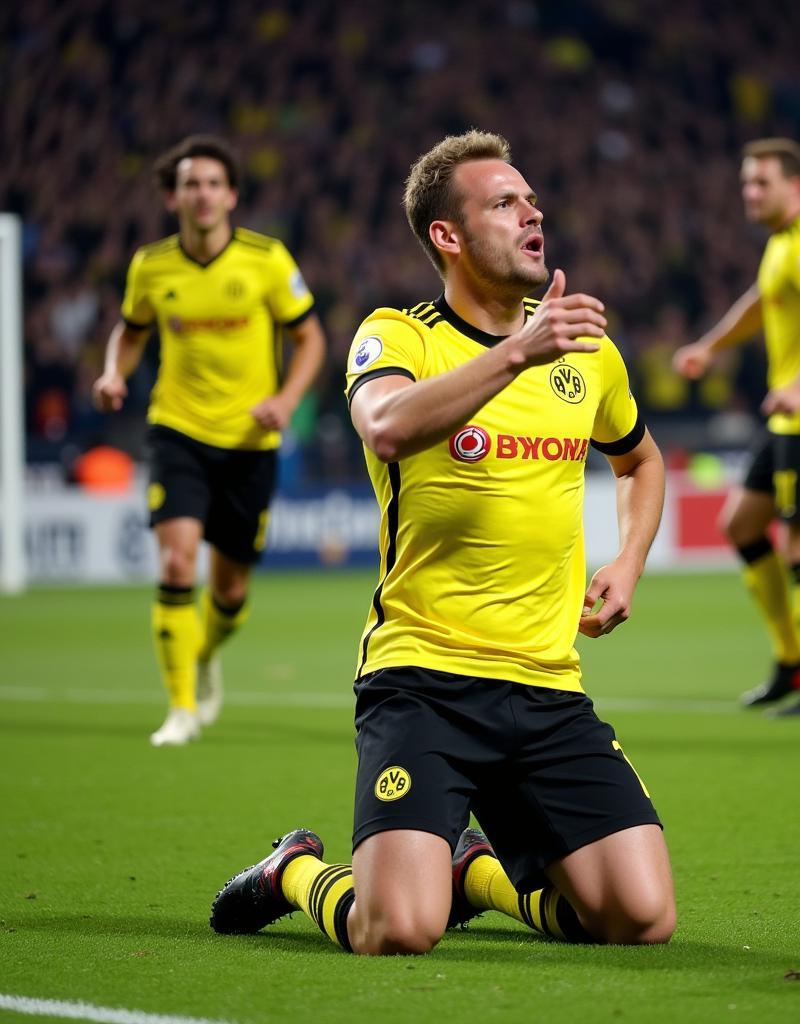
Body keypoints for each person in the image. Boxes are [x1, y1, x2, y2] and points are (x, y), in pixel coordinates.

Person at [210, 130, 675, 954]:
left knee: (639, 920)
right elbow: (386, 426)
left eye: (531, 200)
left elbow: (639, 460)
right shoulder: (399, 336)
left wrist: (630, 561)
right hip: (423, 681)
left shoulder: (584, 353)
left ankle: (479, 876)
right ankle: (293, 871)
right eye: (505, 203)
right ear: (447, 236)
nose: (533, 213)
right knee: (398, 930)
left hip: (545, 685)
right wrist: (518, 354)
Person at [92, 135, 326, 746]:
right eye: (191, 184)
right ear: (175, 196)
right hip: (178, 430)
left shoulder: (267, 260)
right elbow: (130, 330)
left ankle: (203, 651)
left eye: (213, 184)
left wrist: (287, 400)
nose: (202, 194)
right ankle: (179, 708)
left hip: (250, 440)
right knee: (175, 561)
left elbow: (312, 339)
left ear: (232, 195)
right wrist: (114, 371)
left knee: (231, 590)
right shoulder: (152, 266)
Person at [673, 138, 800, 716]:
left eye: (762, 183)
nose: (751, 194)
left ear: (796, 186)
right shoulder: (782, 245)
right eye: (746, 184)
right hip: (790, 414)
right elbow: (760, 303)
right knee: (740, 524)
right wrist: (709, 348)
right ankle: (792, 659)